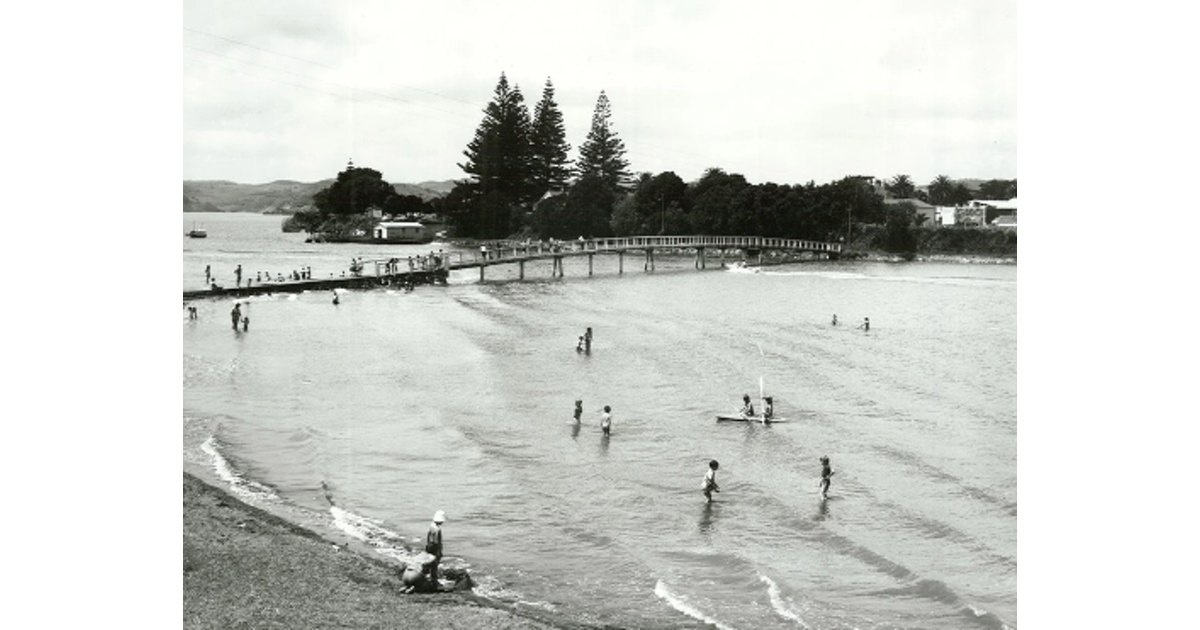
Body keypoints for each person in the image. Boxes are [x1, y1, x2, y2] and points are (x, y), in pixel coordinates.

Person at [425, 510, 445, 584]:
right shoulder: (437, 529)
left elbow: (428, 536)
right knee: (435, 564)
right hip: (434, 547)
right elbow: (437, 542)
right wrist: (439, 551)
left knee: (429, 563)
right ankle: (434, 580)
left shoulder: (431, 525)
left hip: (429, 546)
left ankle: (429, 577)